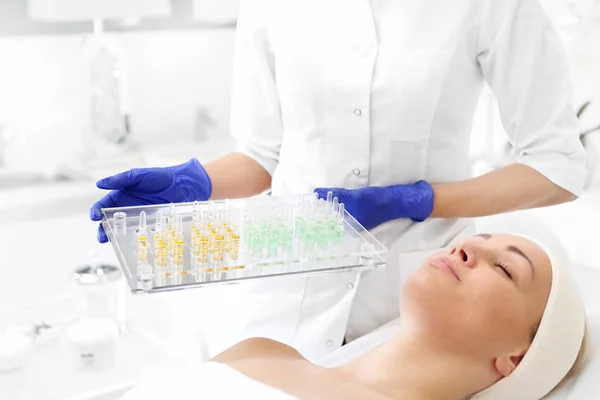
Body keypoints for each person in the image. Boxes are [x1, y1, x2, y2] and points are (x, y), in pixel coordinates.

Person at [90, 0, 588, 357]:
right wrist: (193, 182)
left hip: (417, 301)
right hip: (283, 279)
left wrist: (414, 200)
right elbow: (263, 154)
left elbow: (558, 165)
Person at [119, 233, 587, 400]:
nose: (466, 247)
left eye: (505, 269)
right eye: (477, 238)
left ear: (516, 357)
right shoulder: (261, 350)